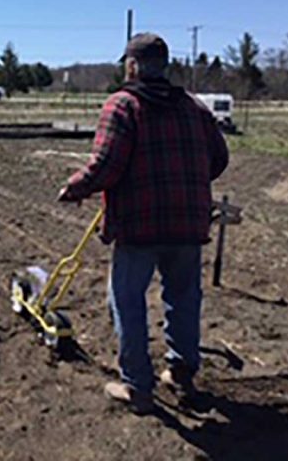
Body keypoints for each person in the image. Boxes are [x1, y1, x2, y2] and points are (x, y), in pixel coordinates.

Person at [57, 33, 229, 414]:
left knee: (127, 300)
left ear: (132, 66)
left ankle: (138, 386)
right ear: (164, 66)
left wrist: (74, 188)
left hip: (140, 225)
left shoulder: (123, 105)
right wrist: (187, 184)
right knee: (183, 297)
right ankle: (181, 372)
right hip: (188, 223)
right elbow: (219, 158)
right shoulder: (193, 107)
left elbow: (106, 165)